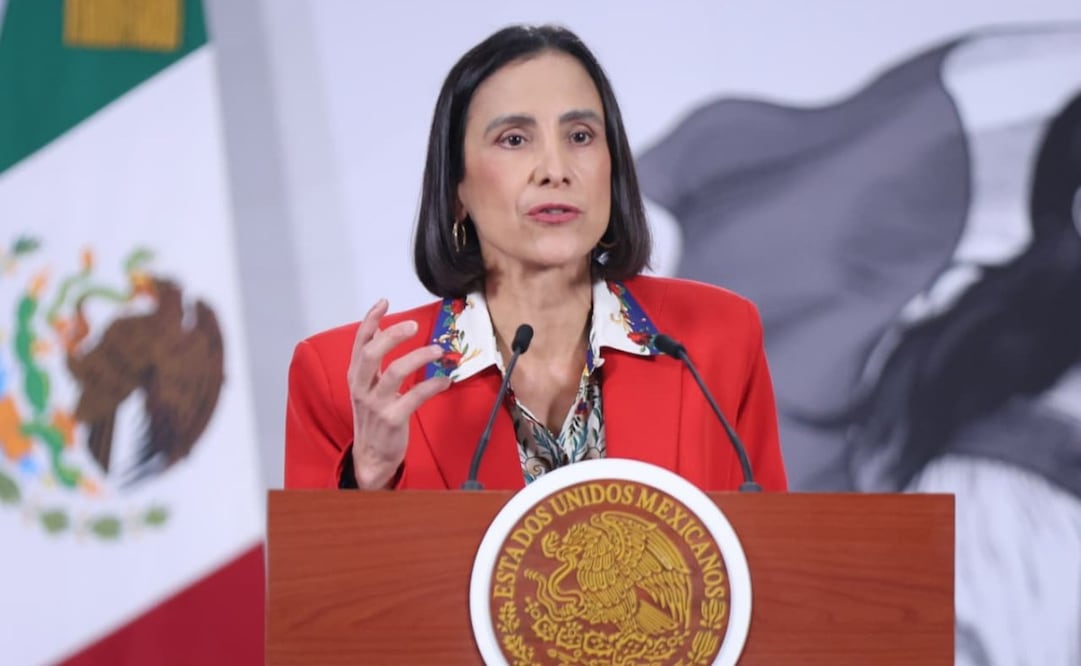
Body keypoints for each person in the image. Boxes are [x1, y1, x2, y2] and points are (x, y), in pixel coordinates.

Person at [283, 24, 788, 492]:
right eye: (515, 139)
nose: (555, 169)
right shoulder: (349, 382)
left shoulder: (716, 339)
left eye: (580, 136)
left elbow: (772, 568)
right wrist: (367, 478)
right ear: (456, 189)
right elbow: (319, 587)